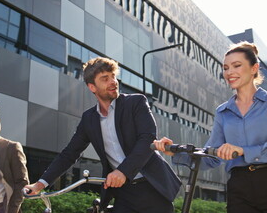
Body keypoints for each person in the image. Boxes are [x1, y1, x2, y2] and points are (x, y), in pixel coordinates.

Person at [154, 41, 267, 213]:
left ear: (254, 68)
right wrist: (175, 152)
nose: (229, 72)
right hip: (239, 188)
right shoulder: (223, 111)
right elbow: (212, 156)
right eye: (225, 68)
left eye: (236, 66)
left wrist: (243, 150)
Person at [24, 57, 181, 213]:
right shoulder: (89, 119)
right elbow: (69, 154)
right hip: (124, 194)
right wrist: (39, 185)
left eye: (113, 76)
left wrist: (123, 171)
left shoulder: (135, 102)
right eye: (105, 79)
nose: (113, 81)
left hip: (152, 188)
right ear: (92, 87)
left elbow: (147, 138)